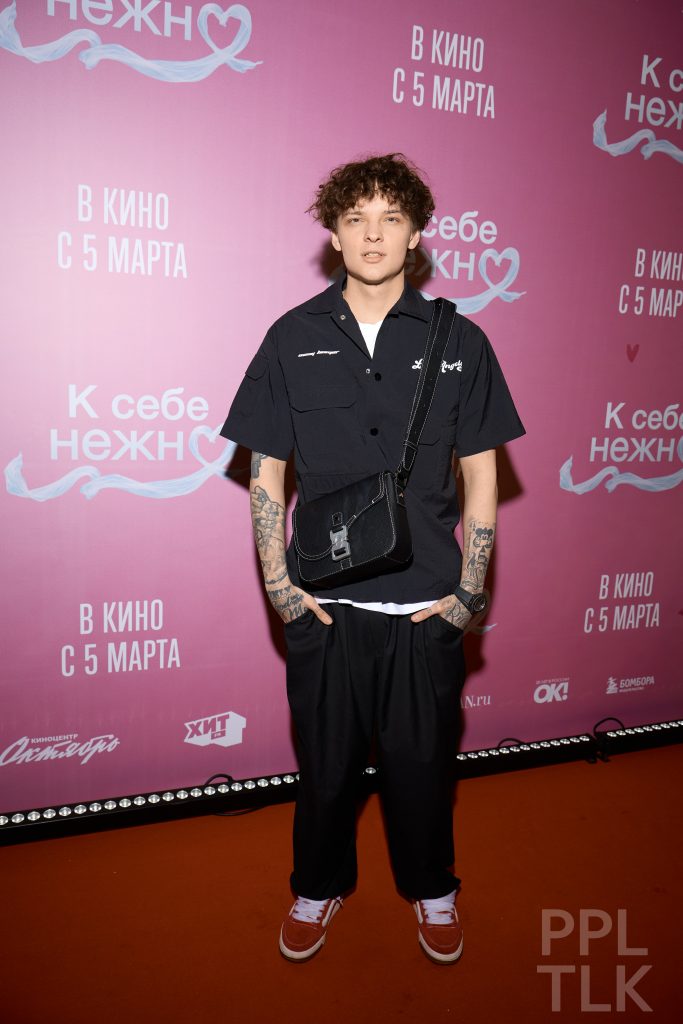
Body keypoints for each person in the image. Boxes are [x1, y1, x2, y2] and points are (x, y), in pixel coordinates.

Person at [219, 153, 525, 964]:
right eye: (355, 218)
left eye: (391, 217)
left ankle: (432, 889)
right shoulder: (291, 335)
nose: (372, 234)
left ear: (416, 233)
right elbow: (265, 471)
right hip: (324, 606)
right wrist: (280, 588)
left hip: (426, 603)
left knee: (422, 768)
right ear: (333, 233)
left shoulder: (461, 340)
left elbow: (481, 473)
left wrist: (468, 593)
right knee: (324, 769)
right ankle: (316, 887)